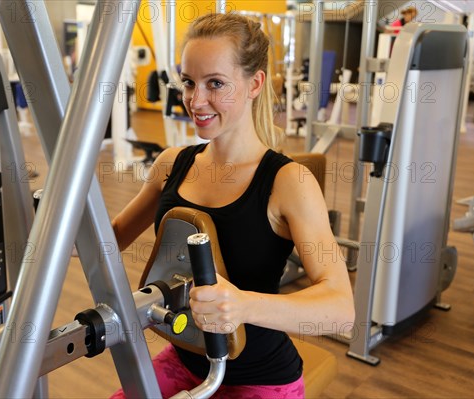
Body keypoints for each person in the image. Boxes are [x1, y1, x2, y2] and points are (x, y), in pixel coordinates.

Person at [111, 12, 354, 399]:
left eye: (216, 84)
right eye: (189, 82)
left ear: (254, 83)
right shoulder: (172, 164)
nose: (196, 100)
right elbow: (109, 241)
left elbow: (341, 308)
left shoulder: (288, 182)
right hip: (186, 358)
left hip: (261, 377)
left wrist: (240, 306)